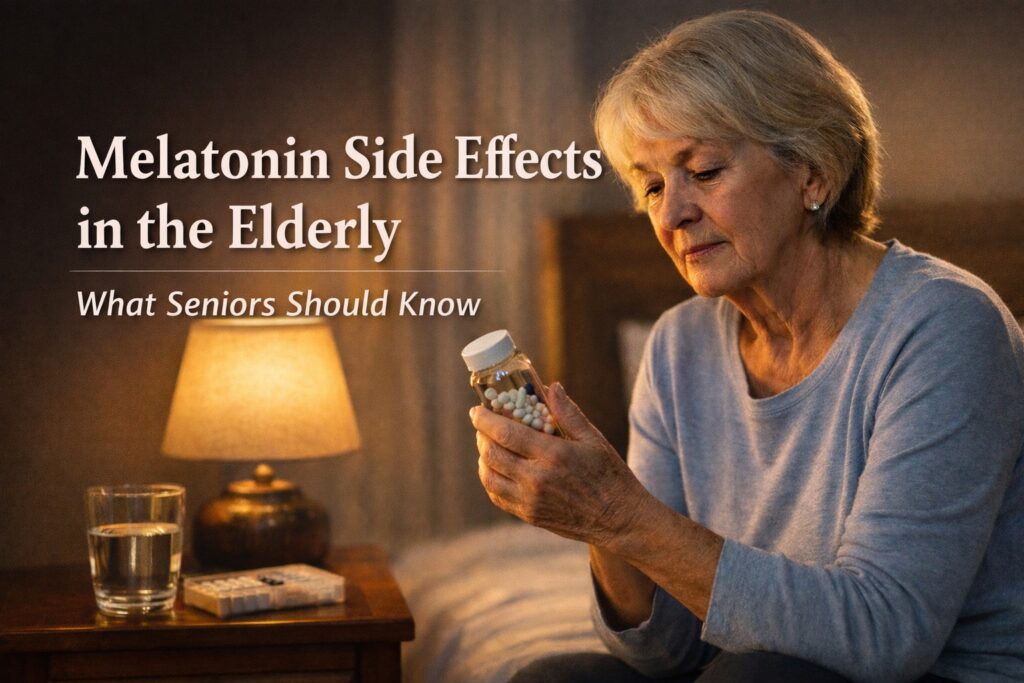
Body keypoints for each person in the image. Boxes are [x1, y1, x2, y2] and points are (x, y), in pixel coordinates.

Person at [469, 10, 1024, 683]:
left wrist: (623, 511)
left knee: (753, 678)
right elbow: (667, 651)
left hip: (940, 675)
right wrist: (602, 527)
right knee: (553, 678)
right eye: (651, 186)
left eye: (701, 170)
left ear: (813, 173)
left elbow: (887, 634)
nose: (672, 213)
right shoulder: (677, 349)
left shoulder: (944, 325)